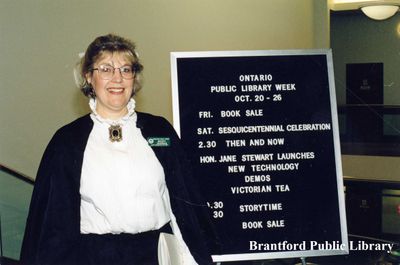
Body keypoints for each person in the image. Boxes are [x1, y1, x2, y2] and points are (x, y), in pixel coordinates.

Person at [21, 34, 215, 265]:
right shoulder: (67, 141)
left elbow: (184, 210)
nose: (117, 78)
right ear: (89, 77)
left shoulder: (159, 130)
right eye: (106, 69)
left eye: (126, 69)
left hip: (157, 255)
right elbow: (52, 228)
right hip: (96, 258)